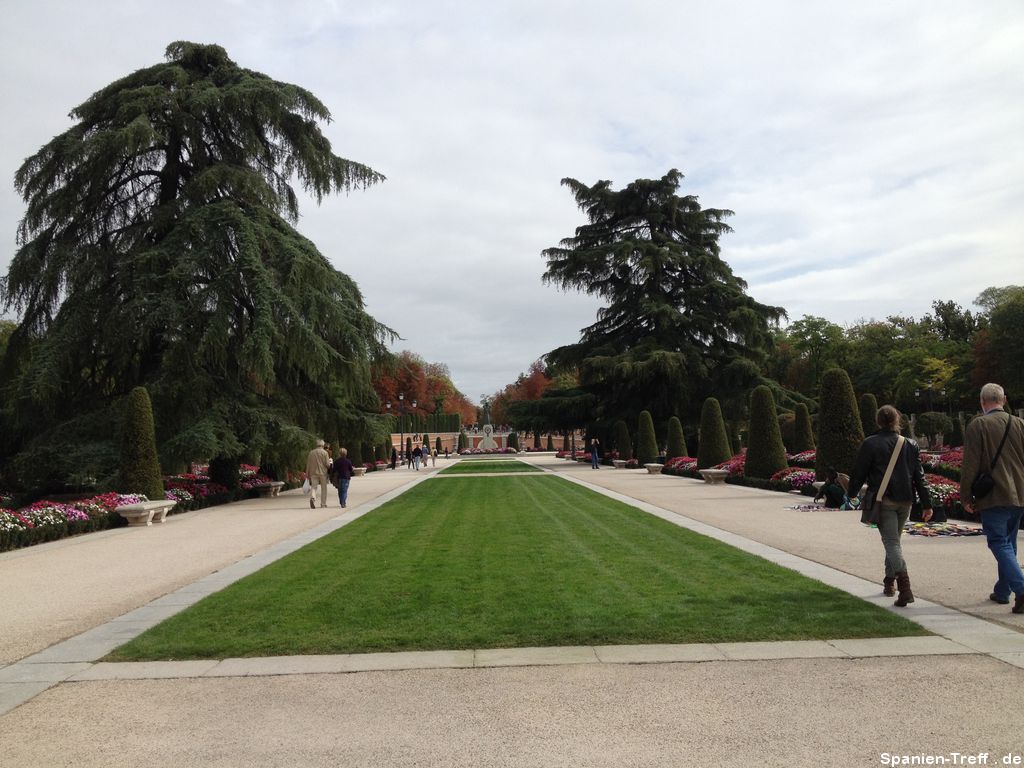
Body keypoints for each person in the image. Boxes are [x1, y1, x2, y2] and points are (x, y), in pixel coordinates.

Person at [847, 405, 932, 606]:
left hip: (884, 501)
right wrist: (928, 504)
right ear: (897, 420)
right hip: (906, 500)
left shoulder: (870, 444)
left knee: (891, 543)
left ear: (878, 421)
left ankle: (905, 588)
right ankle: (888, 582)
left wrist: (850, 494)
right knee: (893, 542)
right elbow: (920, 477)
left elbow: (859, 473)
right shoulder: (910, 444)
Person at [960, 383, 1024, 613]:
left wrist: (965, 495)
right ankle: (1003, 591)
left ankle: (1021, 589)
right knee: (1008, 542)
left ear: (982, 401)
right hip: (1020, 493)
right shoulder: (1019, 423)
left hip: (995, 493)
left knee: (998, 542)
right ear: (1004, 400)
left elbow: (970, 465)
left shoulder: (978, 425)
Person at [305, 438, 331, 509]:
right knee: (324, 488)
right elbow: (327, 464)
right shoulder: (325, 453)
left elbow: (308, 464)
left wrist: (307, 473)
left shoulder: (311, 452)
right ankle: (323, 504)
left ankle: (313, 497)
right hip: (323, 473)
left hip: (313, 473)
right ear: (323, 445)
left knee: (314, 487)